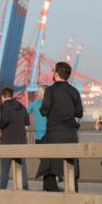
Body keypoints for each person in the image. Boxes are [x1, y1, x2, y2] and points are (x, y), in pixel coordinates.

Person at [36, 62, 83, 192]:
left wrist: (43, 108)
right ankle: (74, 194)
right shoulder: (74, 91)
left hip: (54, 133)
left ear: (56, 73)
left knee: (49, 166)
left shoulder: (50, 90)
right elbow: (79, 112)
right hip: (71, 134)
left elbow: (44, 111)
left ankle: (52, 196)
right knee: (71, 166)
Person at [0, 87, 29, 190]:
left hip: (7, 141)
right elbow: (27, 123)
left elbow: (5, 120)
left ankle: (3, 188)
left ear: (3, 96)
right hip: (21, 140)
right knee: (22, 165)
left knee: (5, 167)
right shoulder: (22, 106)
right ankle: (24, 186)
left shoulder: (4, 106)